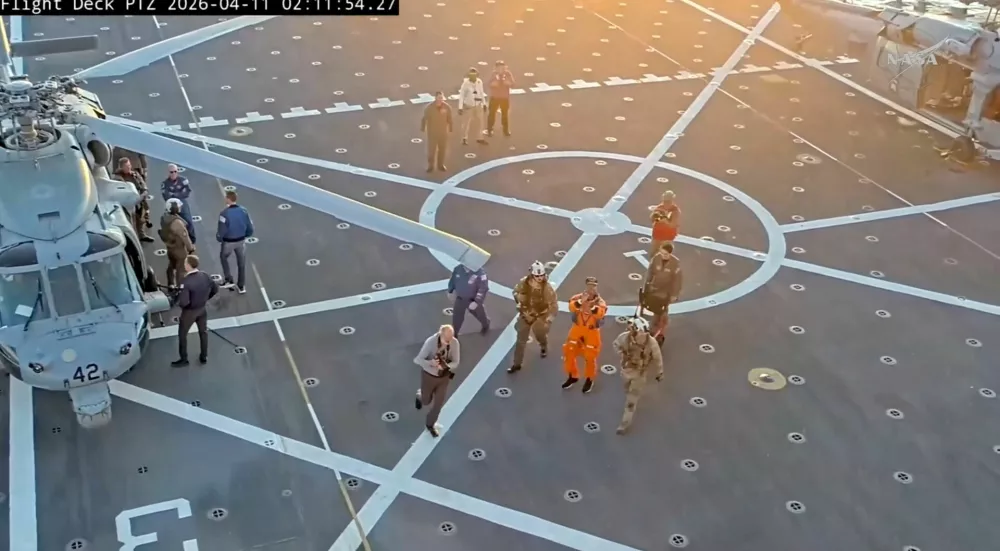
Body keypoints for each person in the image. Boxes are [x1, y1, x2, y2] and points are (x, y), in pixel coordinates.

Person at [613, 317, 664, 434]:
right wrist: (622, 355)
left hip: (639, 374)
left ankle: (624, 424)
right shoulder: (625, 337)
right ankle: (630, 398)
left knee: (631, 400)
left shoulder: (651, 343)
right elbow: (615, 344)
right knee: (626, 389)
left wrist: (659, 372)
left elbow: (657, 358)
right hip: (626, 371)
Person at [509, 260, 557, 374]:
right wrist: (519, 299)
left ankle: (543, 345)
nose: (540, 278)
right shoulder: (524, 282)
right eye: (537, 275)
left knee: (540, 335)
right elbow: (515, 292)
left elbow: (554, 304)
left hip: (539, 316)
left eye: (541, 275)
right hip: (526, 314)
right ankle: (517, 364)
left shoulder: (547, 288)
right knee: (520, 341)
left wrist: (550, 319)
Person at [413, 324, 461, 437]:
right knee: (426, 401)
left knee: (438, 404)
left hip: (443, 378)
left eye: (451, 339)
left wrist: (447, 366)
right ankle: (420, 395)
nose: (449, 342)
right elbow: (417, 360)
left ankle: (430, 424)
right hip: (429, 376)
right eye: (446, 340)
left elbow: (456, 362)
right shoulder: (430, 342)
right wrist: (431, 363)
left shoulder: (454, 343)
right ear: (440, 335)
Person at [171, 255, 219, 368]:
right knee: (203, 332)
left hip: (189, 312)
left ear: (188, 266)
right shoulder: (205, 275)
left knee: (182, 335)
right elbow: (215, 289)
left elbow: (184, 302)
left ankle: (184, 359)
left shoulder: (186, 282)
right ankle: (204, 356)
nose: (184, 265)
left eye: (185, 263)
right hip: (202, 309)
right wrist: (205, 299)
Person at [562, 277, 607, 393]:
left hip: (591, 331)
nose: (591, 288)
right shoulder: (578, 297)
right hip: (578, 328)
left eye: (593, 286)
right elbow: (571, 306)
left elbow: (600, 314)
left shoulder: (600, 302)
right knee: (569, 350)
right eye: (589, 285)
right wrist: (581, 301)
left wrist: (591, 305)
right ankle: (573, 375)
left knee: (590, 356)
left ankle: (589, 379)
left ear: (596, 287)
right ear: (586, 286)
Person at [642, 242, 683, 345]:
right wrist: (646, 286)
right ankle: (650, 327)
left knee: (660, 313)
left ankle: (656, 331)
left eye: (665, 254)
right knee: (648, 305)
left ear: (670, 253)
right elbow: (650, 272)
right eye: (661, 253)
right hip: (654, 288)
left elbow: (677, 281)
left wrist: (674, 295)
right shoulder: (656, 259)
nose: (663, 256)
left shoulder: (675, 263)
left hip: (665, 292)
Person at [216, 190, 254, 294]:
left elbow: (222, 230)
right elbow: (250, 226)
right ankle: (241, 286)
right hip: (241, 240)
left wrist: (219, 238)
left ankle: (228, 279)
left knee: (223, 257)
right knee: (241, 263)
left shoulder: (224, 214)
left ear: (228, 199)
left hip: (229, 242)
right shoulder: (244, 211)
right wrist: (247, 235)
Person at [114, 157, 154, 242]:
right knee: (131, 221)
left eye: (129, 165)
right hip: (129, 203)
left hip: (140, 200)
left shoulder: (134, 174)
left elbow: (142, 183)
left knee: (141, 219)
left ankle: (141, 235)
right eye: (126, 166)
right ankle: (133, 239)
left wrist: (144, 191)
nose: (129, 167)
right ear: (121, 167)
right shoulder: (118, 179)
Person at [159, 198, 195, 288]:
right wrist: (191, 248)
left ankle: (170, 283)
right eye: (178, 206)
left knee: (171, 266)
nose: (180, 208)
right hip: (179, 250)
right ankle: (180, 289)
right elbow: (185, 237)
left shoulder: (164, 218)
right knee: (181, 270)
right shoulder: (177, 222)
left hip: (170, 248)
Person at [447, 263, 490, 335]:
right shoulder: (458, 269)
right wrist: (450, 290)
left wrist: (476, 302)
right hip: (460, 299)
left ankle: (486, 324)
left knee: (480, 315)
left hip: (473, 300)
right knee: (457, 318)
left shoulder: (480, 273)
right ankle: (454, 334)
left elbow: (483, 288)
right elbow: (453, 280)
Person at [161, 164, 196, 243]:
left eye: (175, 171)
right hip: (171, 206)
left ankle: (192, 240)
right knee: (170, 224)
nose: (173, 173)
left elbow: (187, 192)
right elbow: (166, 196)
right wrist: (179, 194)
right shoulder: (165, 184)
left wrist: (174, 195)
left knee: (189, 222)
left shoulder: (183, 180)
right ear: (168, 173)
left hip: (182, 204)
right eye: (171, 172)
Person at [420, 91, 453, 173]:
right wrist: (423, 128)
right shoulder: (429, 108)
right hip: (432, 133)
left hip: (443, 133)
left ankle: (440, 165)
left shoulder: (447, 107)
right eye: (439, 98)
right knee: (431, 151)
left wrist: (451, 128)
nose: (440, 100)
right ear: (435, 98)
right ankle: (430, 165)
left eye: (441, 98)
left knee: (442, 150)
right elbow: (424, 119)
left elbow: (450, 119)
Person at [458, 67, 488, 146]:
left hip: (478, 105)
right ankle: (464, 138)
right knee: (466, 123)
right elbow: (462, 96)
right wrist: (460, 107)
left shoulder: (479, 82)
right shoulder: (465, 84)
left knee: (480, 122)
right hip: (469, 105)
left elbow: (481, 93)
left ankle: (480, 137)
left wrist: (484, 103)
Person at [486, 60, 514, 137]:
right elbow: (488, 83)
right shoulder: (493, 74)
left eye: (502, 67)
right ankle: (489, 130)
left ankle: (506, 130)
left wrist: (508, 83)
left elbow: (513, 83)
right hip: (494, 97)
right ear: (496, 68)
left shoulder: (508, 74)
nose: (500, 69)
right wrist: (493, 84)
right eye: (499, 67)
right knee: (492, 114)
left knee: (504, 114)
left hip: (504, 97)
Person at [649, 190, 681, 257]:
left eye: (668, 201)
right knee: (654, 253)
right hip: (657, 235)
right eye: (665, 201)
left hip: (668, 237)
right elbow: (653, 219)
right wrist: (657, 218)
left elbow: (673, 225)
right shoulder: (660, 208)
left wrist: (665, 221)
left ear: (672, 201)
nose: (666, 203)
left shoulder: (675, 211)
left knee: (665, 255)